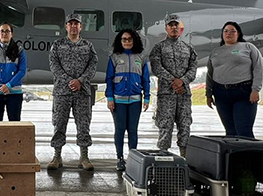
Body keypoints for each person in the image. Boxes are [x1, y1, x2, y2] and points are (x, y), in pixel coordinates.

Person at [48, 13, 98, 171]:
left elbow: (93, 65)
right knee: (59, 123)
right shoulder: (57, 45)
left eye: (77, 24)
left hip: (82, 92)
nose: (74, 26)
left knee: (83, 125)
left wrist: (80, 81)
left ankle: (84, 156)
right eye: (71, 23)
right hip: (62, 92)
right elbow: (54, 65)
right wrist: (69, 81)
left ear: (81, 27)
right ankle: (57, 156)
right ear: (66, 26)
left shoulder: (88, 46)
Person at [148, 13, 197, 156]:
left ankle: (184, 156)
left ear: (179, 28)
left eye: (176, 25)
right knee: (165, 125)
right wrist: (173, 81)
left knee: (185, 125)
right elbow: (157, 67)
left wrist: (182, 81)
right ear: (166, 28)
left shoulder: (188, 48)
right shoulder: (159, 48)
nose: (174, 27)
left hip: (184, 95)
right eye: (171, 25)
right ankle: (163, 156)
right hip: (166, 95)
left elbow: (193, 68)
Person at [206, 21, 263, 138]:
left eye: (232, 31)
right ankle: (232, 156)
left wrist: (255, 89)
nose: (229, 33)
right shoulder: (215, 52)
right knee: (230, 131)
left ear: (238, 34)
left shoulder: (248, 47)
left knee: (244, 130)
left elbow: (259, 69)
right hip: (221, 95)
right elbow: (210, 74)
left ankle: (249, 156)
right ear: (222, 34)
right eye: (226, 31)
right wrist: (208, 94)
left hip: (243, 93)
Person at [106, 28, 150, 171]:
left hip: (135, 101)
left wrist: (147, 98)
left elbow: (146, 79)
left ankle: (133, 158)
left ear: (134, 40)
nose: (126, 42)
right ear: (120, 41)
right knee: (120, 130)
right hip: (118, 101)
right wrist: (110, 98)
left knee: (133, 130)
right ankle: (119, 158)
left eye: (129, 39)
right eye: (124, 39)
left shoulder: (141, 58)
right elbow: (109, 79)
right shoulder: (114, 57)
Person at [0, 23, 27, 121]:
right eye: (2, 31)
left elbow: (22, 71)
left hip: (14, 93)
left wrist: (8, 85)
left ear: (12, 34)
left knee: (14, 122)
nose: (4, 33)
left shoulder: (19, 51)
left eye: (7, 31)